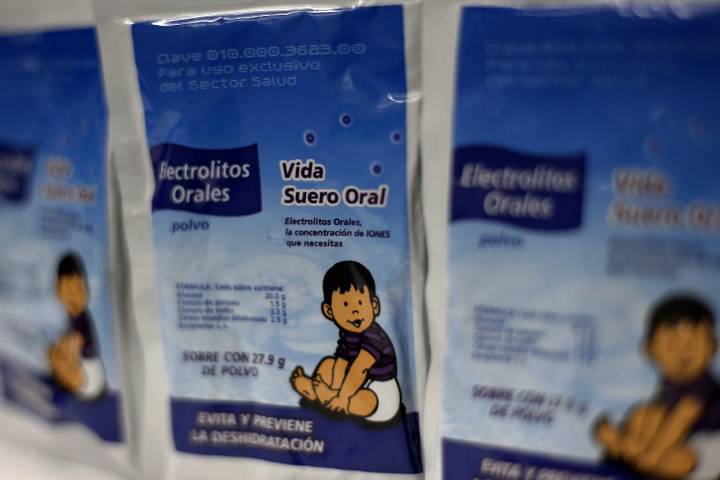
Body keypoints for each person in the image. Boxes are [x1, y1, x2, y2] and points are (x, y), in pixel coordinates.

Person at [595, 295, 720, 479]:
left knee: (679, 461)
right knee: (643, 414)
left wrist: (654, 453)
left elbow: (682, 418)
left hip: (709, 441)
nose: (684, 352)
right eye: (671, 344)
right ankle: (633, 452)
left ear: (713, 345)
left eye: (694, 343)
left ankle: (627, 450)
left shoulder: (702, 383)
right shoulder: (669, 383)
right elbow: (661, 417)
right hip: (676, 439)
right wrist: (647, 442)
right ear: (648, 349)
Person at [290, 260, 401, 423]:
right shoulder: (348, 334)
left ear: (374, 306)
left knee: (368, 399)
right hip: (354, 384)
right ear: (329, 311)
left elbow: (360, 369)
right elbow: (341, 362)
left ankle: (324, 398)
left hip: (380, 392)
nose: (354, 310)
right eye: (345, 304)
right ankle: (325, 398)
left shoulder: (373, 336)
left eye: (360, 302)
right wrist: (335, 389)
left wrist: (342, 397)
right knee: (328, 363)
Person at [48, 252, 106, 400]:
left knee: (62, 352)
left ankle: (67, 385)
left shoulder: (82, 319)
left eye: (79, 288)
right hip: (83, 370)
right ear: (58, 290)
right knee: (54, 352)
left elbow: (76, 344)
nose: (73, 296)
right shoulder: (71, 317)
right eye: (67, 289)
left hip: (90, 375)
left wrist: (64, 352)